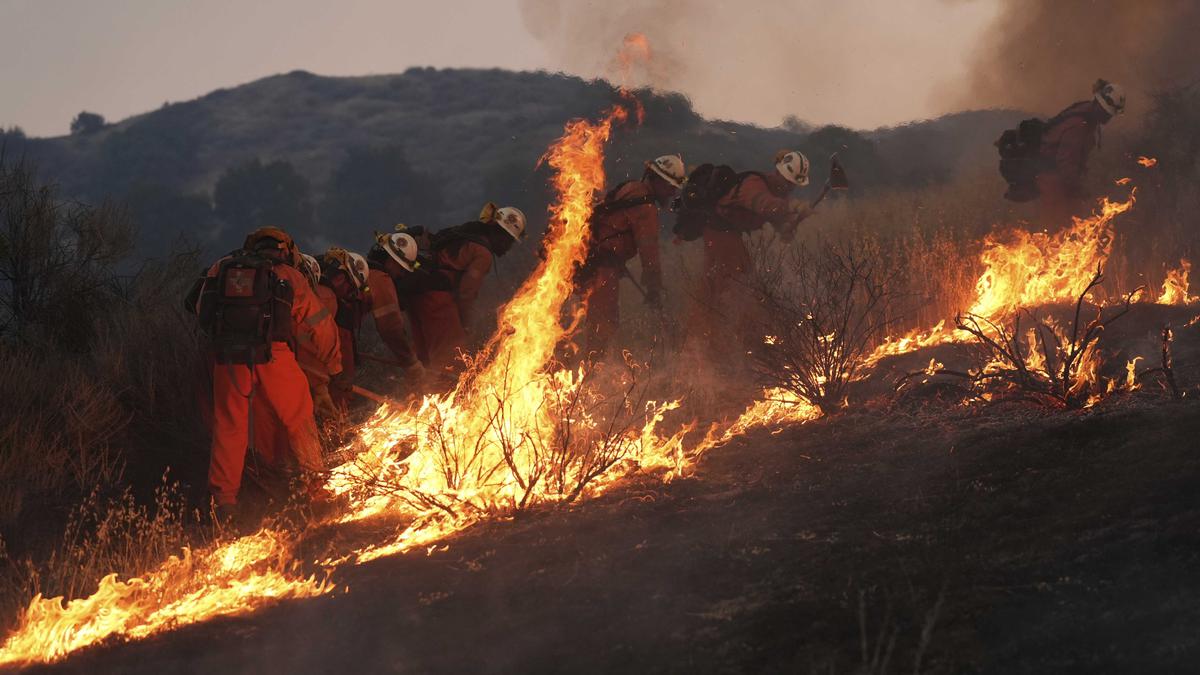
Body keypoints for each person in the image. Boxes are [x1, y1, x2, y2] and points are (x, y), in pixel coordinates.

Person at [196, 227, 342, 522]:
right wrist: (334, 366)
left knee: (230, 427)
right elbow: (320, 323)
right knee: (299, 418)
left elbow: (201, 310)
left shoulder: (220, 268)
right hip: (274, 355)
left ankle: (224, 502)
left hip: (228, 359)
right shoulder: (288, 274)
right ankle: (316, 488)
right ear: (285, 249)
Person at [685, 150, 814, 361]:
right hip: (719, 232)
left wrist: (790, 224)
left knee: (719, 287)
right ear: (779, 173)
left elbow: (780, 224)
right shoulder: (754, 184)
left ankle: (711, 342)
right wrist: (792, 207)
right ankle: (737, 344)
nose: (789, 187)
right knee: (737, 284)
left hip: (728, 235)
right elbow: (763, 205)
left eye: (793, 185)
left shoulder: (779, 194)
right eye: (788, 182)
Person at [578, 154, 684, 356]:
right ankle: (593, 370)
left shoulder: (632, 189)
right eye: (670, 186)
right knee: (604, 321)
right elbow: (649, 249)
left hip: (596, 262)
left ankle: (594, 365)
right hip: (603, 267)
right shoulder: (645, 206)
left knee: (601, 319)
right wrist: (654, 286)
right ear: (657, 180)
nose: (673, 192)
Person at [408, 203, 527, 377]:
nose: (508, 247)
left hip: (417, 294)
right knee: (450, 358)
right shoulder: (483, 253)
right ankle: (440, 395)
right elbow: (466, 292)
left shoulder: (467, 233)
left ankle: (418, 396)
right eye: (509, 240)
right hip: (437, 299)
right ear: (499, 233)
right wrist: (465, 323)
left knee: (424, 358)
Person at [1036, 79, 1126, 229]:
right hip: (1053, 180)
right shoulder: (1079, 126)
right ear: (1101, 107)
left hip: (1057, 178)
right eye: (1108, 114)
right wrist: (1078, 188)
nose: (1109, 118)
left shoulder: (1086, 112)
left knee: (1072, 224)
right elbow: (1066, 162)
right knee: (1058, 228)